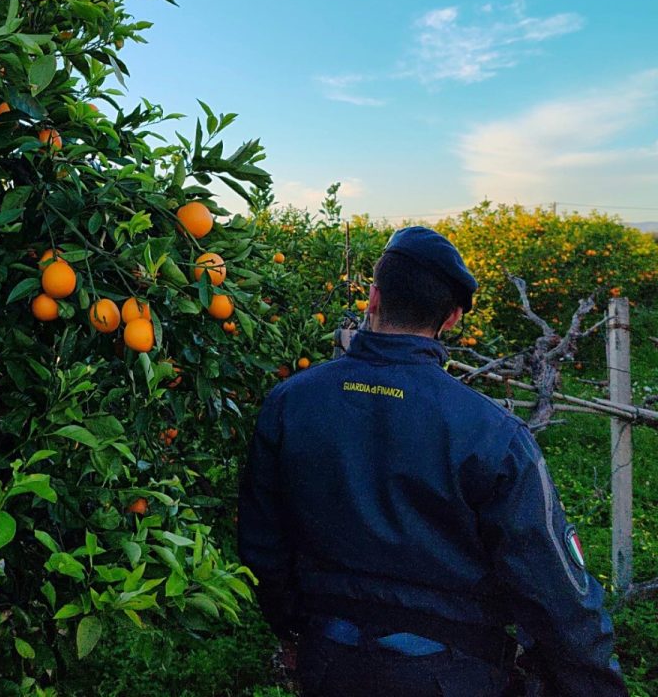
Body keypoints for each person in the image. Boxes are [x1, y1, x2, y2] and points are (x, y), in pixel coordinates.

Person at [238, 226, 628, 697]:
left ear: (374, 298)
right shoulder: (492, 433)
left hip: (330, 661)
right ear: (453, 319)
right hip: (452, 675)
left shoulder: (290, 402)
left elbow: (262, 545)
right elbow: (556, 594)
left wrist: (297, 631)